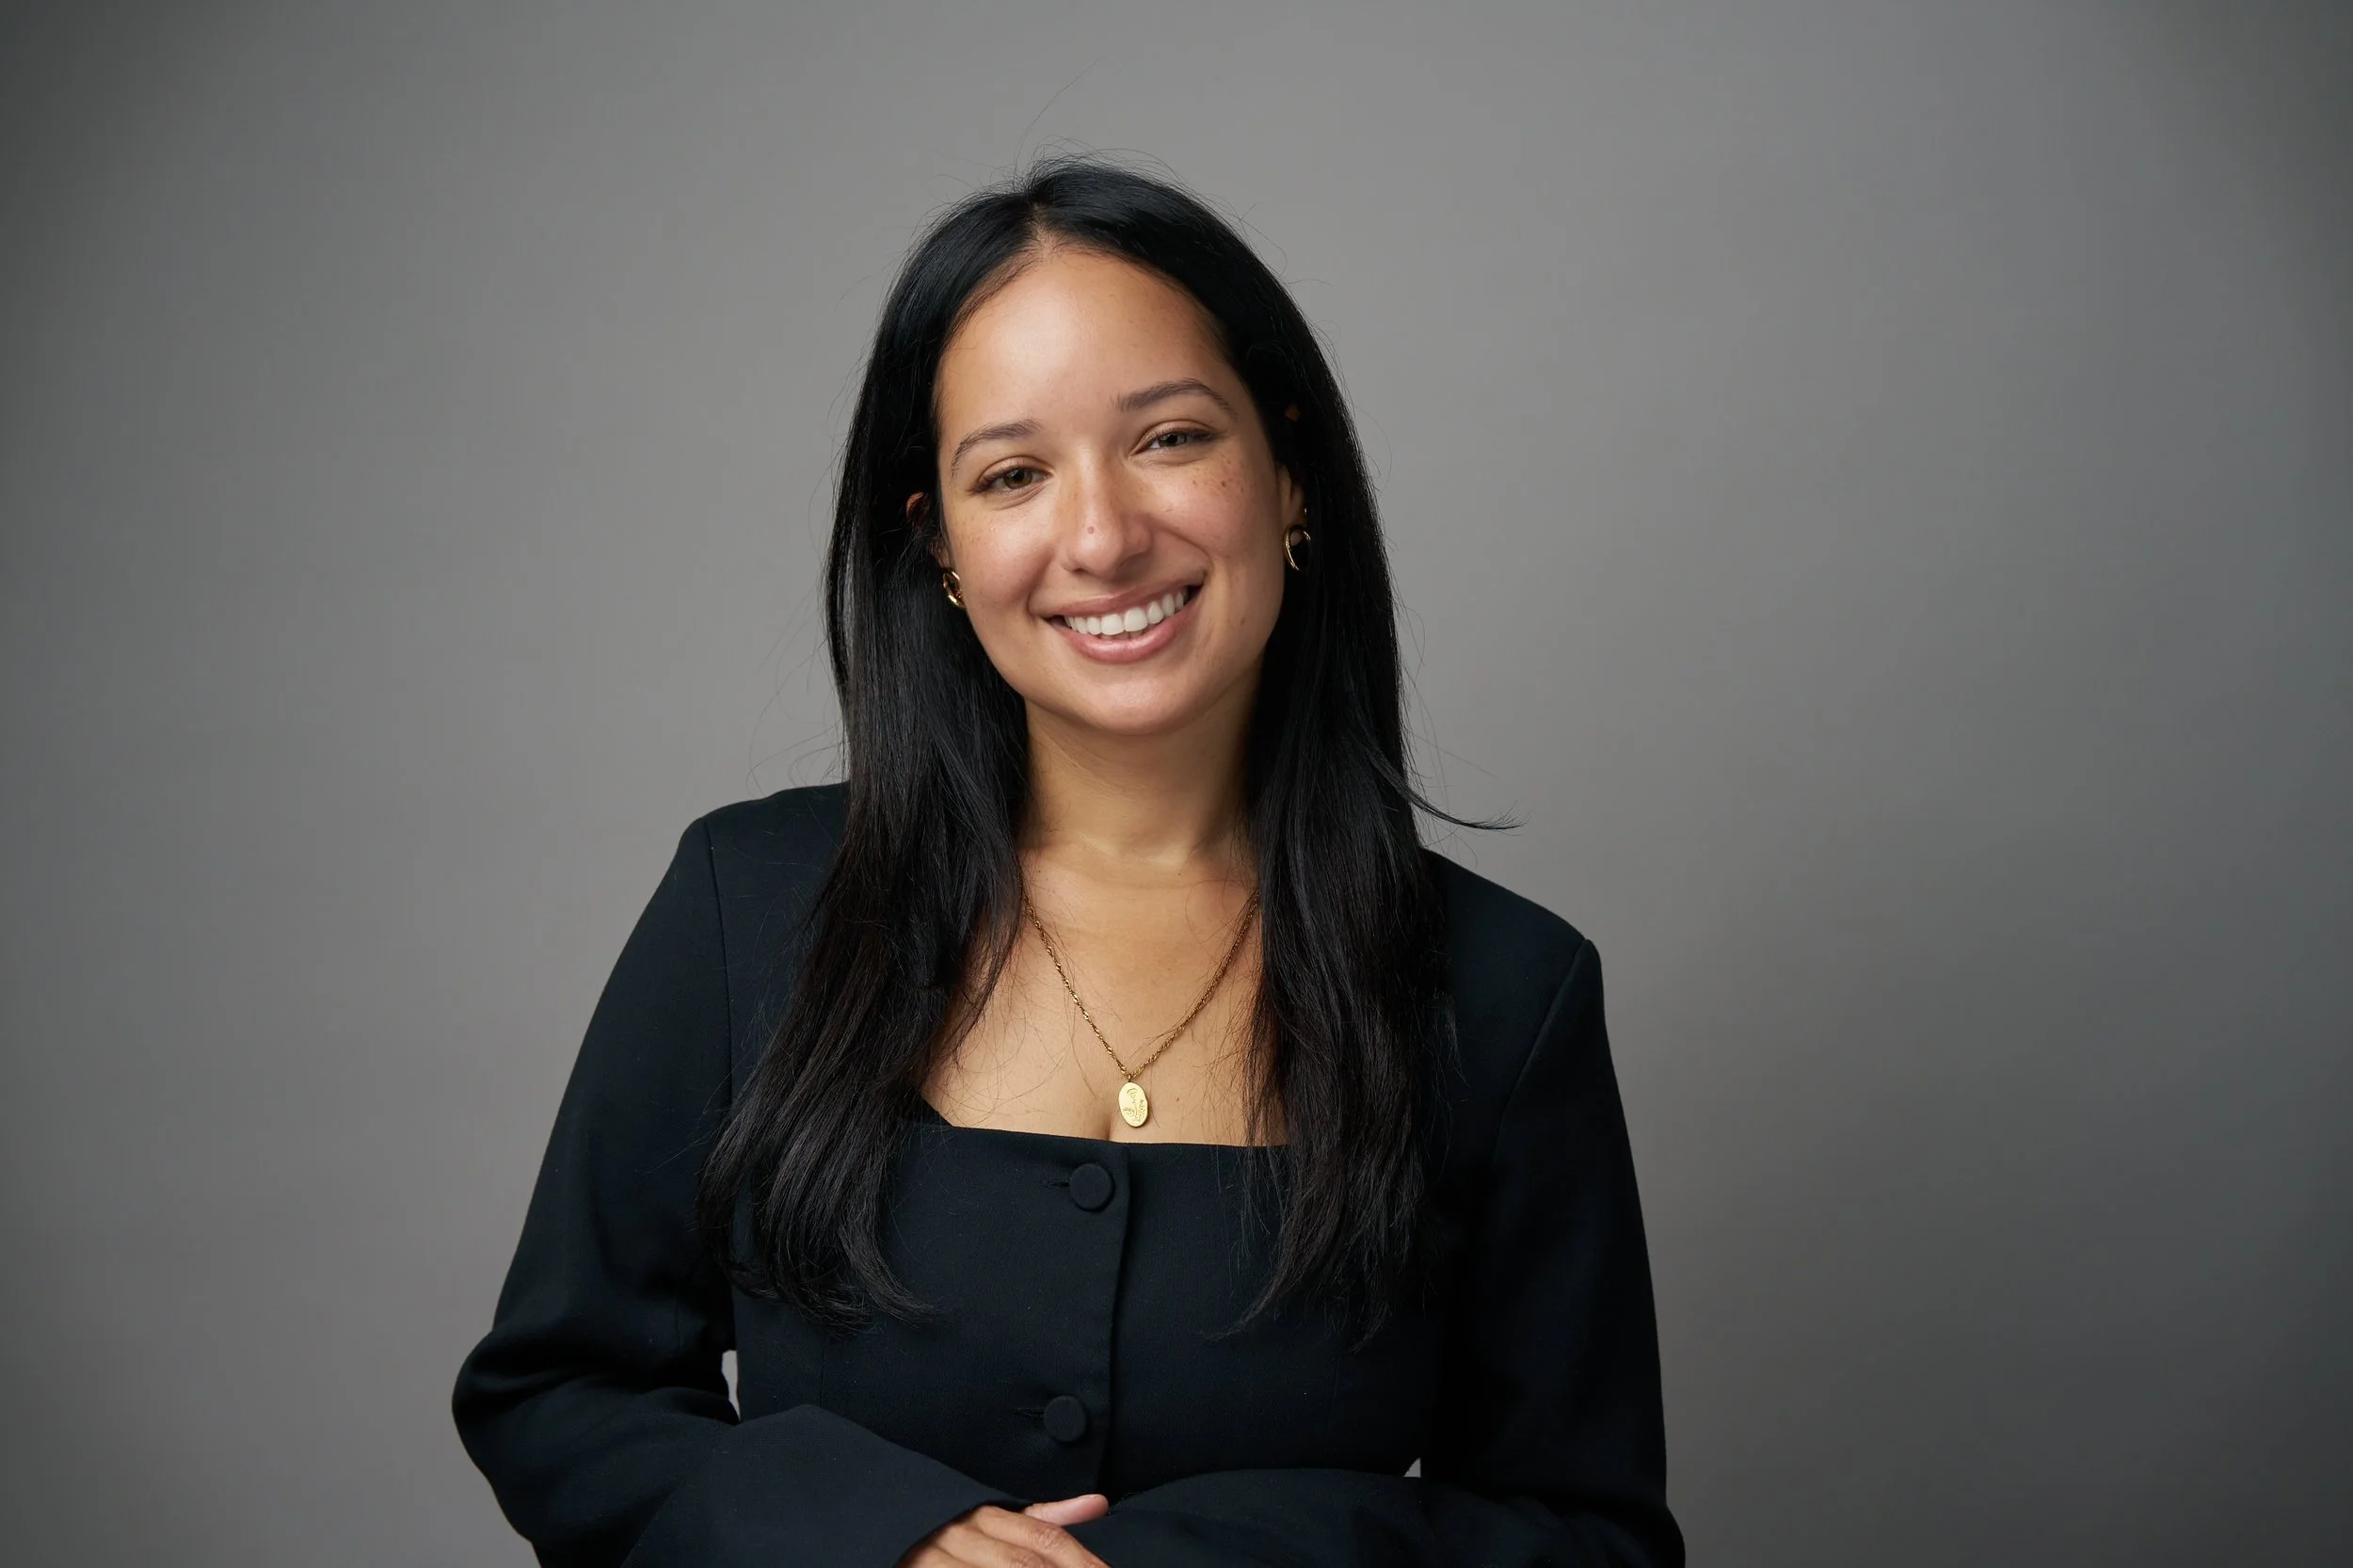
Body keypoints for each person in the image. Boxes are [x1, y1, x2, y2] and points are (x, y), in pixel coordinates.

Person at [451, 153, 1684, 1568]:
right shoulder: (750, 906)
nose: (1100, 536)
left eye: (1168, 439)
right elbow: (558, 1393)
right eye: (1015, 473)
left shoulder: (1508, 991)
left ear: (1289, 474)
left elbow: (1592, 1542)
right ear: (944, 548)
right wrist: (886, 1540)